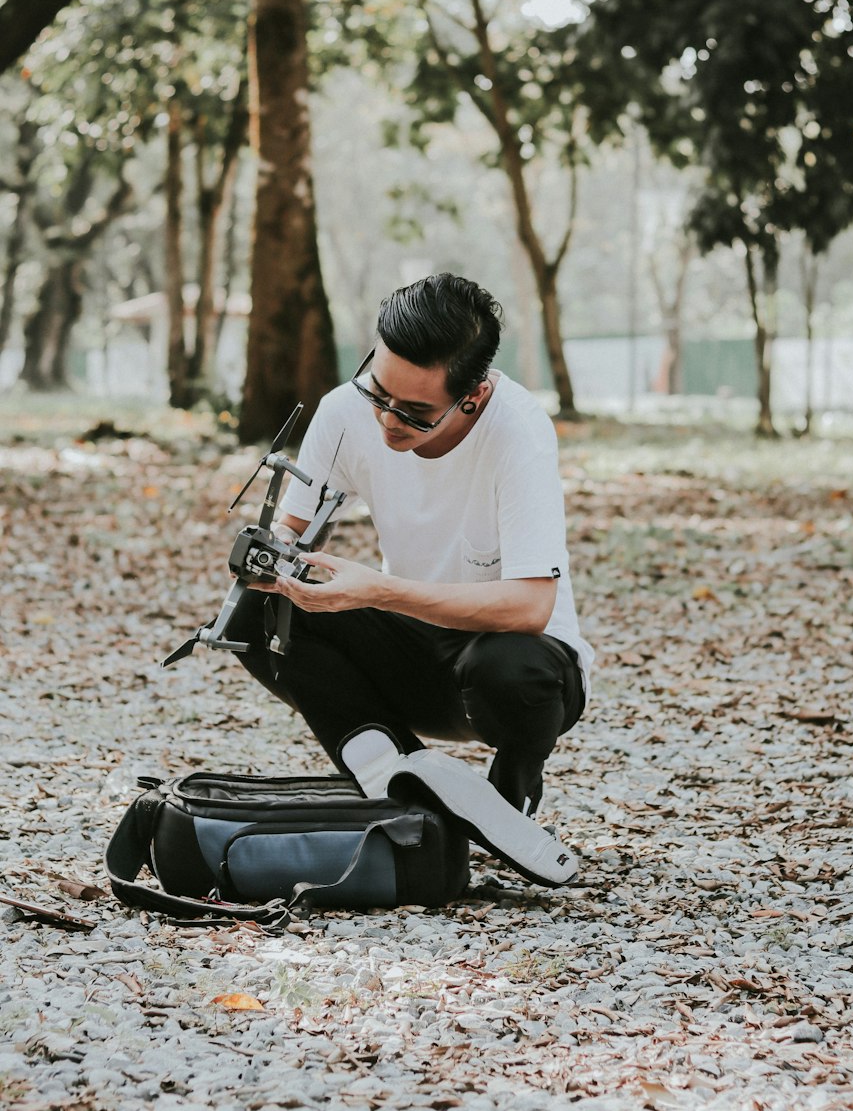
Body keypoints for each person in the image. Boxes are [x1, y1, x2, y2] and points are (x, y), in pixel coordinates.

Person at [230, 272, 593, 817]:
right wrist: (270, 557)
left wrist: (377, 590)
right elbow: (294, 529)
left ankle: (512, 788)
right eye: (379, 391)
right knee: (252, 614)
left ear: (475, 396)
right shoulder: (344, 411)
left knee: (513, 671)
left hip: (510, 671)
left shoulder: (518, 431)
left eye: (415, 412)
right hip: (408, 656)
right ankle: (405, 784)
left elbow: (530, 606)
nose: (386, 417)